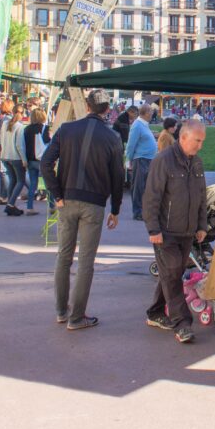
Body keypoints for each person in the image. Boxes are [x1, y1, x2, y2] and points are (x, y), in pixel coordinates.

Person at [41, 89, 124, 331]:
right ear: (107, 110)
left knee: (64, 256)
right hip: (94, 203)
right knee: (86, 261)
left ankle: (61, 311)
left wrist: (56, 194)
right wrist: (115, 208)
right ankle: (76, 317)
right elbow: (118, 177)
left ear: (87, 106)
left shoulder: (66, 130)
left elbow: (46, 162)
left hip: (67, 199)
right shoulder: (112, 138)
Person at [142, 119, 209, 343]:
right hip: (165, 232)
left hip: (187, 231)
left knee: (171, 274)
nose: (200, 145)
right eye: (197, 141)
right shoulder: (163, 160)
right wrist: (153, 229)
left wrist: (201, 225)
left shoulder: (197, 162)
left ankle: (155, 312)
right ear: (183, 137)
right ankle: (182, 324)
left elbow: (201, 196)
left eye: (202, 141)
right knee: (172, 273)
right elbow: (151, 197)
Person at [125, 104, 158, 221]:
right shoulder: (137, 125)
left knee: (145, 187)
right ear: (146, 113)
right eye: (151, 111)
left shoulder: (144, 124)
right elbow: (131, 144)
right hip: (140, 159)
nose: (152, 114)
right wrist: (128, 160)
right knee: (138, 187)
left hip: (147, 159)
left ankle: (142, 210)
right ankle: (137, 212)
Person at [20, 108, 51, 215]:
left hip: (30, 160)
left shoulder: (26, 129)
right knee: (48, 182)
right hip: (41, 159)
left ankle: (29, 207)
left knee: (33, 184)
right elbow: (47, 141)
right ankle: (52, 205)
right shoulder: (44, 128)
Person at [0, 106, 27, 216]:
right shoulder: (20, 126)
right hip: (16, 157)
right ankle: (10, 204)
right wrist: (24, 159)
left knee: (13, 180)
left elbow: (1, 139)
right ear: (23, 113)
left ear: (12, 112)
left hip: (5, 156)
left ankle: (10, 204)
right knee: (20, 181)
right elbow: (19, 145)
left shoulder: (5, 124)